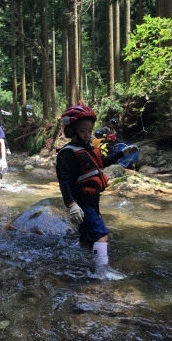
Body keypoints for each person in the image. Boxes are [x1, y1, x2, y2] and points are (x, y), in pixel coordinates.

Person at [55, 105, 138, 279]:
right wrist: (72, 204)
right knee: (101, 234)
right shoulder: (68, 153)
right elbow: (65, 182)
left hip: (92, 200)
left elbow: (101, 164)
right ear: (70, 131)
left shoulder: (88, 149)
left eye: (90, 130)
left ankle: (78, 264)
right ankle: (100, 272)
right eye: (83, 131)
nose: (88, 134)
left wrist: (122, 153)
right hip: (82, 203)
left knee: (87, 238)